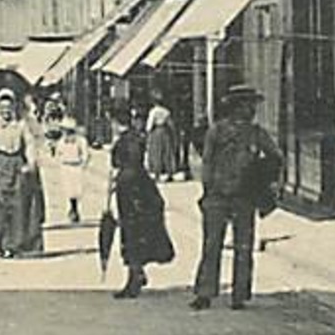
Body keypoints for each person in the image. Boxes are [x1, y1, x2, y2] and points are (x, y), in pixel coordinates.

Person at [191, 86, 281, 311]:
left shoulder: (255, 133)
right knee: (213, 245)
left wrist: (261, 177)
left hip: (243, 195)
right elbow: (208, 162)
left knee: (242, 246)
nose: (251, 110)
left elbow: (275, 156)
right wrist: (207, 190)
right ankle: (206, 293)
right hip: (219, 194)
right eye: (247, 105)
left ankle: (238, 295)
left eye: (252, 105)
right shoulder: (217, 131)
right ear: (236, 107)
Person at [108, 101, 174, 298]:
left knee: (132, 232)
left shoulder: (128, 140)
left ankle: (134, 277)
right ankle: (136, 273)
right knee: (134, 232)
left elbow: (129, 163)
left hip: (132, 190)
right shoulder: (132, 138)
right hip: (136, 187)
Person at [0, 88, 41, 258]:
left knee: (18, 206)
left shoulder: (21, 125)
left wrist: (30, 163)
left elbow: (29, 144)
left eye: (9, 107)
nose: (6, 111)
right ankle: (1, 242)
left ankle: (14, 243)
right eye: (2, 108)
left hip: (17, 165)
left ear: (14, 107)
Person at [50, 114, 91, 223]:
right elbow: (58, 154)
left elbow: (85, 153)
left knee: (76, 190)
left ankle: (75, 208)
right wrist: (60, 162)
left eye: (69, 131)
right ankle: (72, 209)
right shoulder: (61, 142)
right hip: (66, 168)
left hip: (76, 167)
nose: (67, 133)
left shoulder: (80, 141)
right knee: (68, 190)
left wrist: (83, 163)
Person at [145, 96, 179, 181]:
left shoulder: (153, 111)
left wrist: (148, 132)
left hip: (156, 131)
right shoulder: (166, 111)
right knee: (166, 152)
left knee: (157, 152)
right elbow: (171, 123)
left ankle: (157, 172)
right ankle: (169, 172)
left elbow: (150, 124)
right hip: (165, 131)